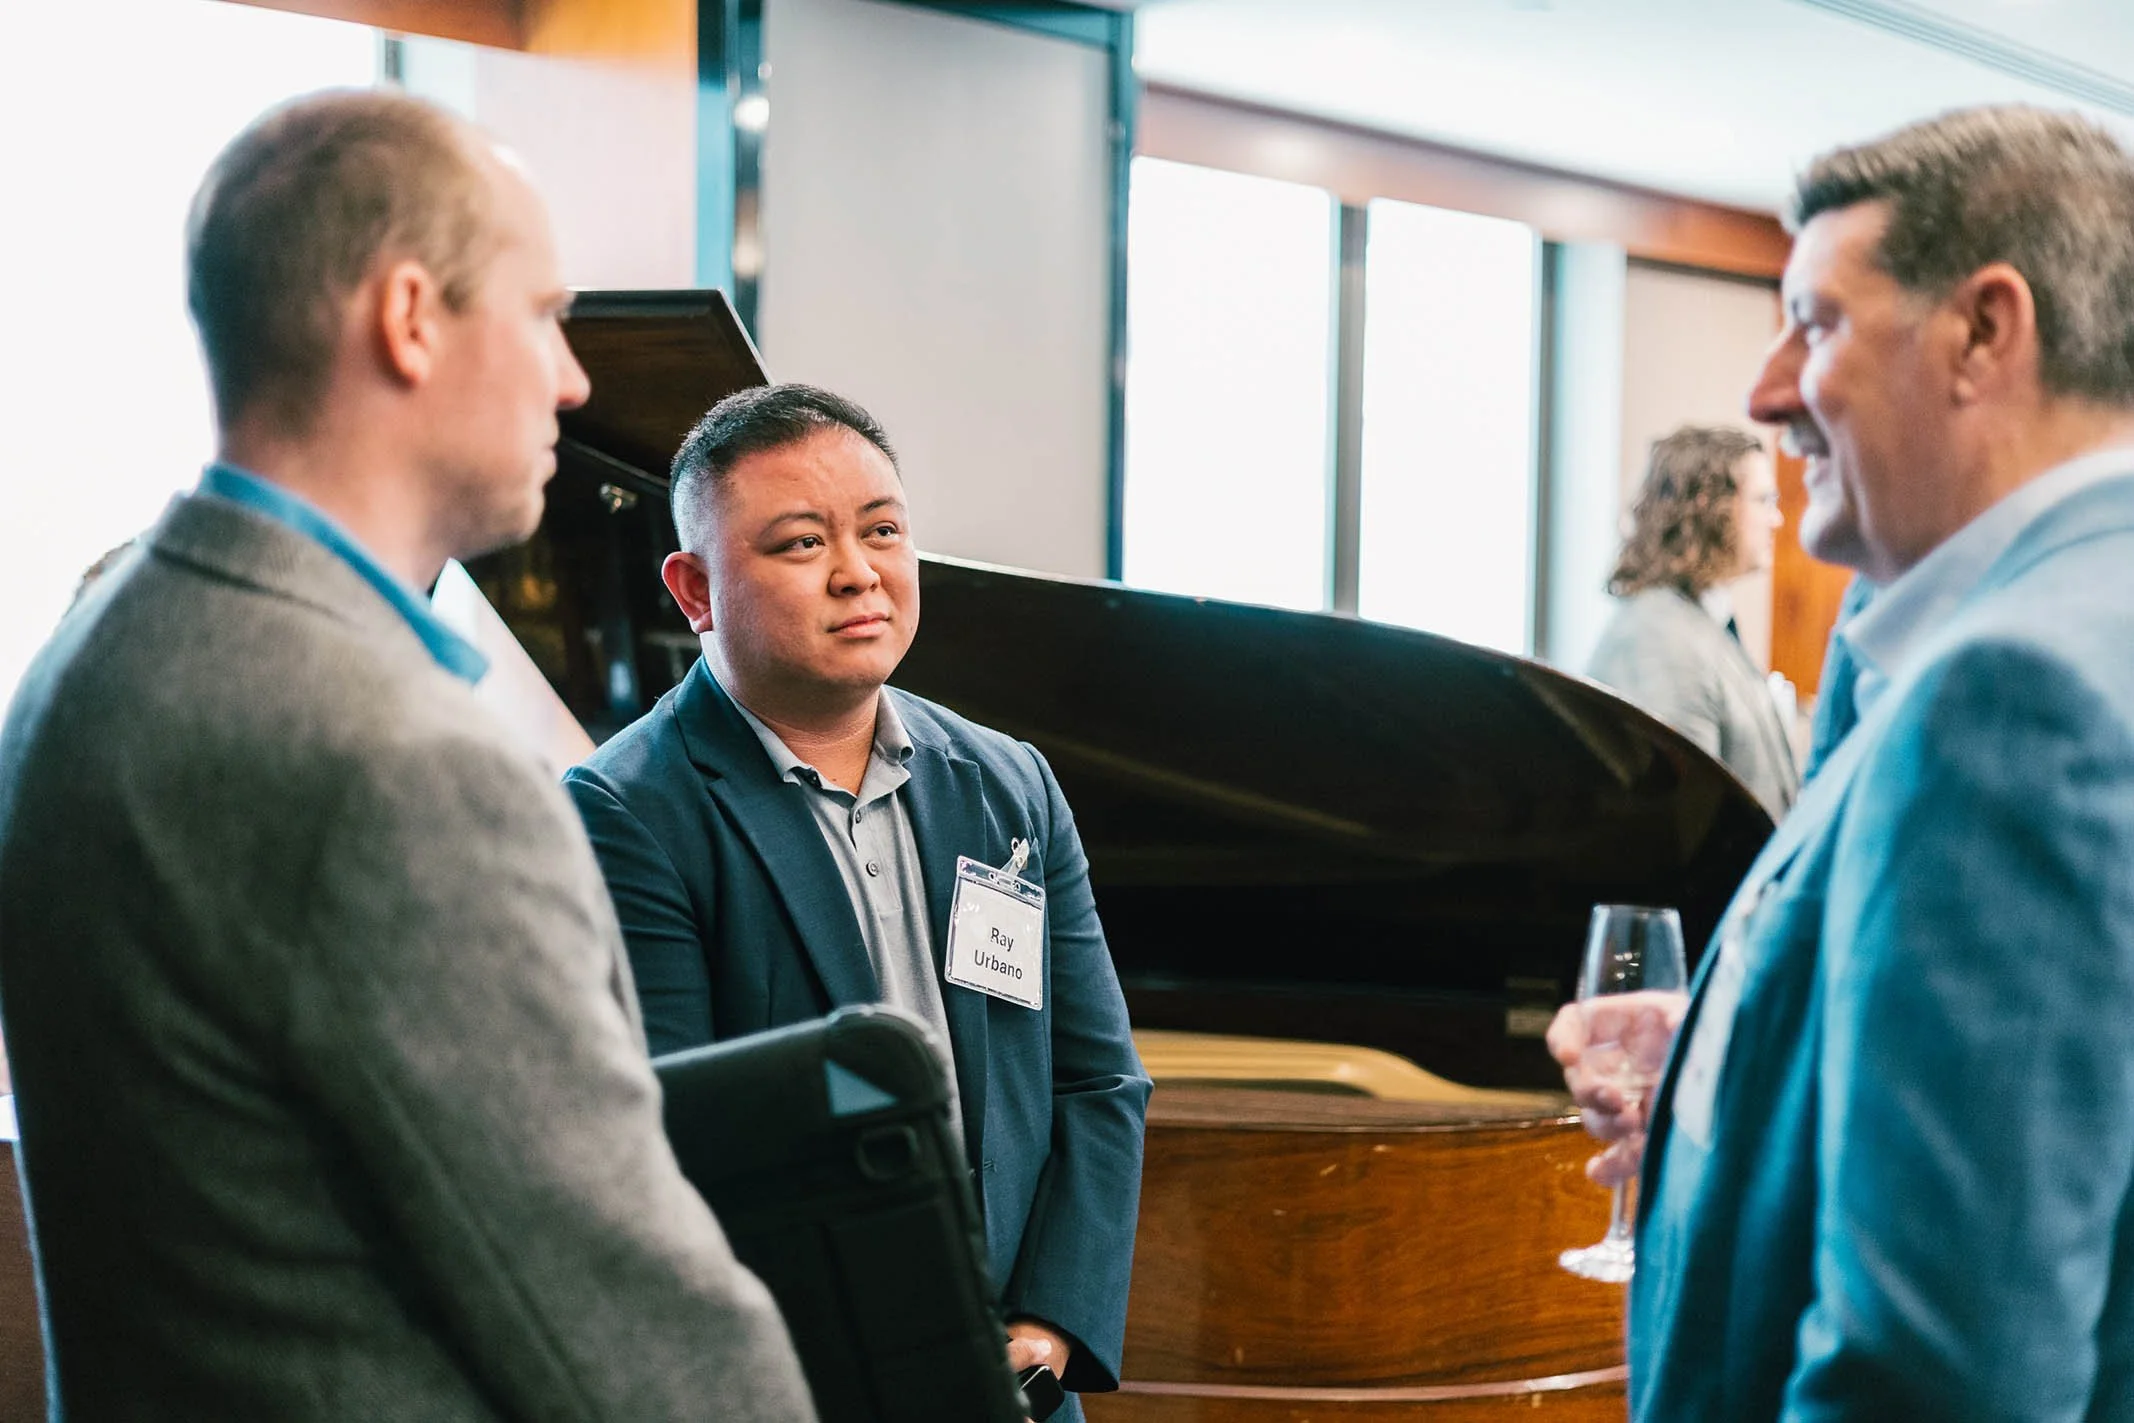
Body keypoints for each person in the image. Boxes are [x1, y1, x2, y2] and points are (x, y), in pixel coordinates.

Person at [0, 91, 816, 1420]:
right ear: (411, 317)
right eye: (544, 313)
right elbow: (633, 1330)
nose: (573, 375)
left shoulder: (95, 641)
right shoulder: (397, 758)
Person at [1551, 104, 2134, 1420]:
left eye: (1813, 321)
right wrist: (1731, 1053)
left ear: (1984, 330)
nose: (1763, 391)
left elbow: (1936, 1371)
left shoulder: (2009, 690)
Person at [563, 383, 1151, 1422]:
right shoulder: (628, 809)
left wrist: (1051, 1323)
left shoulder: (1008, 782)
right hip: (795, 1382)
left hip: (1015, 1379)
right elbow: (679, 1145)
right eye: (799, 544)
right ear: (695, 589)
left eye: (882, 530)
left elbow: (1097, 1079)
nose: (858, 572)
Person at [1586, 425, 1800, 819]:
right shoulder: (1657, 639)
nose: (1777, 519)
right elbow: (1677, 827)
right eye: (1763, 500)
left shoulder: (1703, 620)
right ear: (1708, 504)